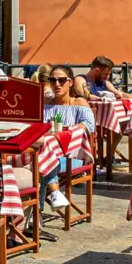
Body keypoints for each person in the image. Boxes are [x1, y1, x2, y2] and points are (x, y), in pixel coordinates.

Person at [39, 66, 95, 209]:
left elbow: (89, 126)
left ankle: (35, 215)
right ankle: (55, 193)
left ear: (70, 82)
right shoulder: (45, 104)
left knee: (37, 166)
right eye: (52, 80)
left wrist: (66, 132)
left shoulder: (79, 103)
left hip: (71, 156)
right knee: (36, 163)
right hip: (45, 154)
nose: (57, 84)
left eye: (61, 80)